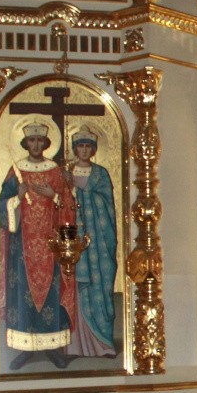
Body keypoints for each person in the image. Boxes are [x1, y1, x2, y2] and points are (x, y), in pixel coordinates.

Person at [0, 122, 77, 371]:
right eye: (32, 140)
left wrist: (54, 195)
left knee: (52, 293)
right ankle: (25, 347)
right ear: (25, 143)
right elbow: (1, 208)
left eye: (40, 140)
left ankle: (53, 347)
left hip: (50, 245)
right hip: (22, 247)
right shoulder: (16, 171)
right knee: (23, 294)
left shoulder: (54, 171)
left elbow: (69, 205)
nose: (35, 144)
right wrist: (17, 197)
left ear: (45, 143)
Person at [66, 126, 118, 359]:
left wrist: (82, 189)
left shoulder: (100, 174)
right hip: (75, 239)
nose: (84, 150)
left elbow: (107, 204)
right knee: (76, 288)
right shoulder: (67, 172)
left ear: (94, 149)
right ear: (75, 149)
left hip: (98, 242)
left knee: (100, 286)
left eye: (88, 146)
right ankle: (75, 345)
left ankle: (103, 343)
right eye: (80, 146)